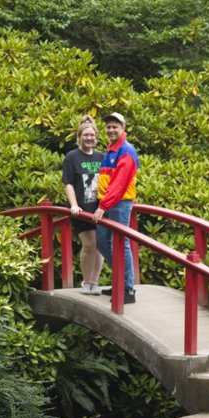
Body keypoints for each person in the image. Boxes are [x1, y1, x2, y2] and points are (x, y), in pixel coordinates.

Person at [92, 113, 139, 305]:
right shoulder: (110, 150)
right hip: (107, 202)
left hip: (117, 203)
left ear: (123, 128)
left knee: (121, 243)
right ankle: (118, 281)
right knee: (102, 242)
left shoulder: (126, 150)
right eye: (109, 126)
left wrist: (103, 205)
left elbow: (119, 184)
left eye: (115, 127)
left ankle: (127, 288)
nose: (111, 130)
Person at [61, 115, 104, 294]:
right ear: (79, 136)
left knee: (101, 245)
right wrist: (74, 205)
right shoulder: (72, 157)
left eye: (92, 135)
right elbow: (68, 182)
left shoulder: (102, 157)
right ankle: (86, 281)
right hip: (81, 210)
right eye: (85, 135)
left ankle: (95, 282)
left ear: (96, 137)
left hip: (99, 209)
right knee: (89, 244)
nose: (89, 138)